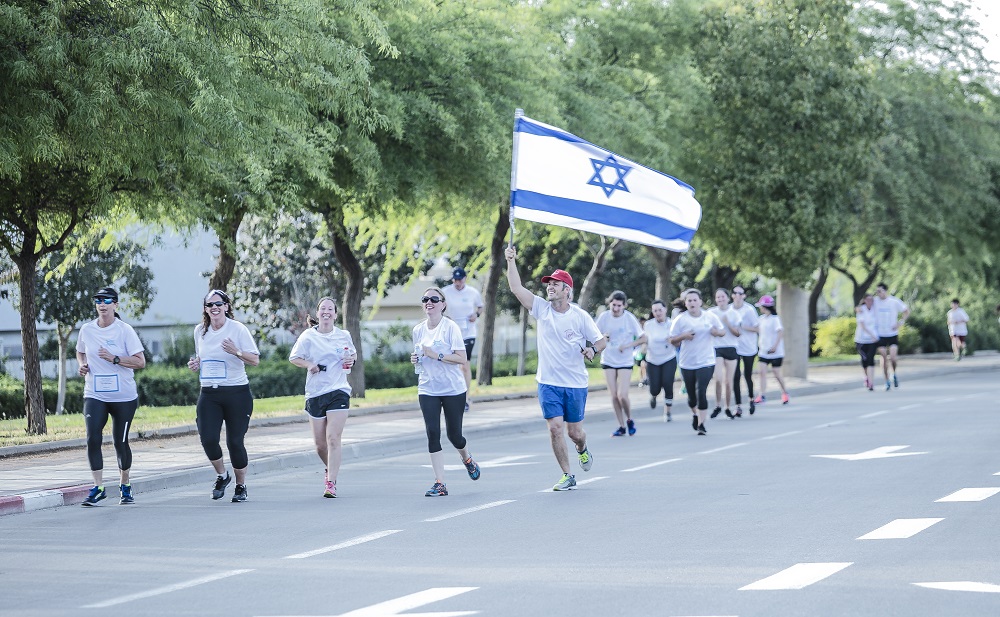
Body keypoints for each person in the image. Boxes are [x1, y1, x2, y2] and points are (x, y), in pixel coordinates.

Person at [505, 246, 605, 490]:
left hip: (575, 383)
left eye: (555, 284)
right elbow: (516, 288)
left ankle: (582, 449)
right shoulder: (541, 309)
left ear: (567, 291)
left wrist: (592, 350)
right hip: (548, 382)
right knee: (554, 428)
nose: (550, 287)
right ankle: (568, 474)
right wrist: (510, 261)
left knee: (575, 433)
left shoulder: (580, 316)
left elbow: (601, 340)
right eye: (548, 284)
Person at [187, 289, 260, 503]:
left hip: (237, 392)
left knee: (235, 442)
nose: (215, 308)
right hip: (209, 393)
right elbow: (202, 357)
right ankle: (222, 475)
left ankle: (241, 485)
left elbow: (254, 360)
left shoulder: (237, 329)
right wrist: (196, 364)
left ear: (227, 306)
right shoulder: (200, 331)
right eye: (210, 305)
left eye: (219, 304)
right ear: (205, 309)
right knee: (208, 438)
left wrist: (236, 351)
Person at [76, 287, 146, 506]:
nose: (102, 304)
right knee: (92, 438)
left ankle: (125, 484)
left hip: (123, 397)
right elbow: (80, 350)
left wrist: (114, 358)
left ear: (115, 304)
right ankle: (98, 487)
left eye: (107, 300)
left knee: (120, 441)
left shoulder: (124, 330)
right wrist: (82, 365)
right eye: (98, 300)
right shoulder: (87, 330)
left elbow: (140, 361)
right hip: (95, 393)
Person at [410, 286, 480, 497]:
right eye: (425, 299)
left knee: (454, 436)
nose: (429, 302)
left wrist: (437, 355)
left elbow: (461, 358)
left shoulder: (450, 328)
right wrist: (416, 359)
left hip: (452, 389)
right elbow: (420, 359)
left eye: (434, 299)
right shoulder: (418, 330)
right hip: (428, 387)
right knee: (432, 433)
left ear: (443, 304)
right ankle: (440, 483)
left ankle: (466, 458)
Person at [289, 297, 356, 498]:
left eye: (330, 309)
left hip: (339, 390)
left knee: (333, 438)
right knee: (320, 445)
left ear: (335, 314)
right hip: (315, 392)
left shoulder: (343, 335)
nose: (326, 312)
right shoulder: (308, 336)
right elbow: (294, 358)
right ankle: (330, 468)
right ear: (318, 314)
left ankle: (331, 483)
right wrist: (309, 365)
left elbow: (352, 357)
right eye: (323, 309)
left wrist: (349, 360)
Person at [668, 289, 725, 435]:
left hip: (706, 361)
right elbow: (672, 340)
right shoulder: (680, 319)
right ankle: (695, 414)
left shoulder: (709, 316)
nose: (692, 303)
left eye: (695, 300)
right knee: (692, 397)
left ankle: (701, 424)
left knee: (701, 392)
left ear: (700, 302)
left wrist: (716, 333)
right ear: (685, 303)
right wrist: (683, 336)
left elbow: (722, 331)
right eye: (689, 301)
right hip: (687, 362)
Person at [595, 290, 645, 437]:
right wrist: (603, 337)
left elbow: (643, 338)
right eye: (613, 305)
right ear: (609, 304)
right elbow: (594, 335)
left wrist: (628, 345)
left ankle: (629, 419)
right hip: (608, 359)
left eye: (619, 306)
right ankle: (621, 425)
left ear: (624, 306)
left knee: (622, 395)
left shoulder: (629, 318)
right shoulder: (604, 317)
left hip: (625, 360)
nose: (615, 309)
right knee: (614, 396)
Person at [442, 267, 483, 410]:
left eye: (460, 279)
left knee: (464, 365)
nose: (457, 282)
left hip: (468, 332)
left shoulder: (473, 292)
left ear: (465, 279)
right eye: (455, 279)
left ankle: (465, 398)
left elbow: (480, 307)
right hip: (452, 332)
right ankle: (452, 395)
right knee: (451, 365)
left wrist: (476, 315)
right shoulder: (446, 292)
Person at [709, 288, 742, 419]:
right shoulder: (711, 313)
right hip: (717, 348)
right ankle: (718, 405)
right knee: (718, 378)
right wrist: (715, 331)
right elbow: (707, 328)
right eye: (718, 297)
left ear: (728, 298)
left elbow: (738, 333)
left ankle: (728, 407)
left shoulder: (734, 313)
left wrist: (727, 323)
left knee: (729, 381)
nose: (720, 299)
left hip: (731, 347)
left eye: (723, 297)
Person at [643, 300, 677, 422]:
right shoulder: (649, 325)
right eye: (655, 311)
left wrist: (673, 340)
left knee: (668, 384)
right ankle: (653, 395)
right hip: (653, 359)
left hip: (668, 358)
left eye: (660, 310)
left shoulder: (672, 324)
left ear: (665, 310)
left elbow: (677, 340)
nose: (658, 313)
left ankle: (667, 412)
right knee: (655, 388)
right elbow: (645, 340)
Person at [873, 282, 910, 390]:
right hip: (880, 334)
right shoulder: (875, 302)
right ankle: (886, 380)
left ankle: (894, 373)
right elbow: (864, 305)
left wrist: (900, 323)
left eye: (880, 291)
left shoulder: (893, 301)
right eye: (877, 291)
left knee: (893, 358)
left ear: (885, 291)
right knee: (883, 357)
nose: (878, 293)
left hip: (892, 334)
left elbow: (906, 311)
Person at [755, 295, 789, 405]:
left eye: (761, 306)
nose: (760, 308)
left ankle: (784, 393)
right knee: (762, 372)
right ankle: (762, 395)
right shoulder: (761, 319)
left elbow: (780, 333)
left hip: (776, 352)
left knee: (776, 373)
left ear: (765, 307)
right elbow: (757, 329)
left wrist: (775, 346)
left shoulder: (775, 319)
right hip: (764, 351)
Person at [731, 286, 760, 416]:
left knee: (747, 375)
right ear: (732, 295)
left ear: (744, 296)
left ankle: (751, 399)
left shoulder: (749, 309)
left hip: (749, 347)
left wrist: (744, 327)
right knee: (735, 376)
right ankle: (738, 406)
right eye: (735, 293)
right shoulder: (729, 309)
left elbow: (758, 329)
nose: (737, 295)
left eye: (740, 293)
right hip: (735, 347)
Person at [854, 293, 879, 391]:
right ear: (864, 300)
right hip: (861, 340)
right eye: (868, 300)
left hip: (873, 340)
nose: (870, 302)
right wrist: (872, 335)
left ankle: (871, 383)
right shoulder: (861, 310)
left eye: (871, 300)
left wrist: (874, 336)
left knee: (871, 359)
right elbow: (863, 326)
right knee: (864, 360)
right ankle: (866, 377)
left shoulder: (875, 309)